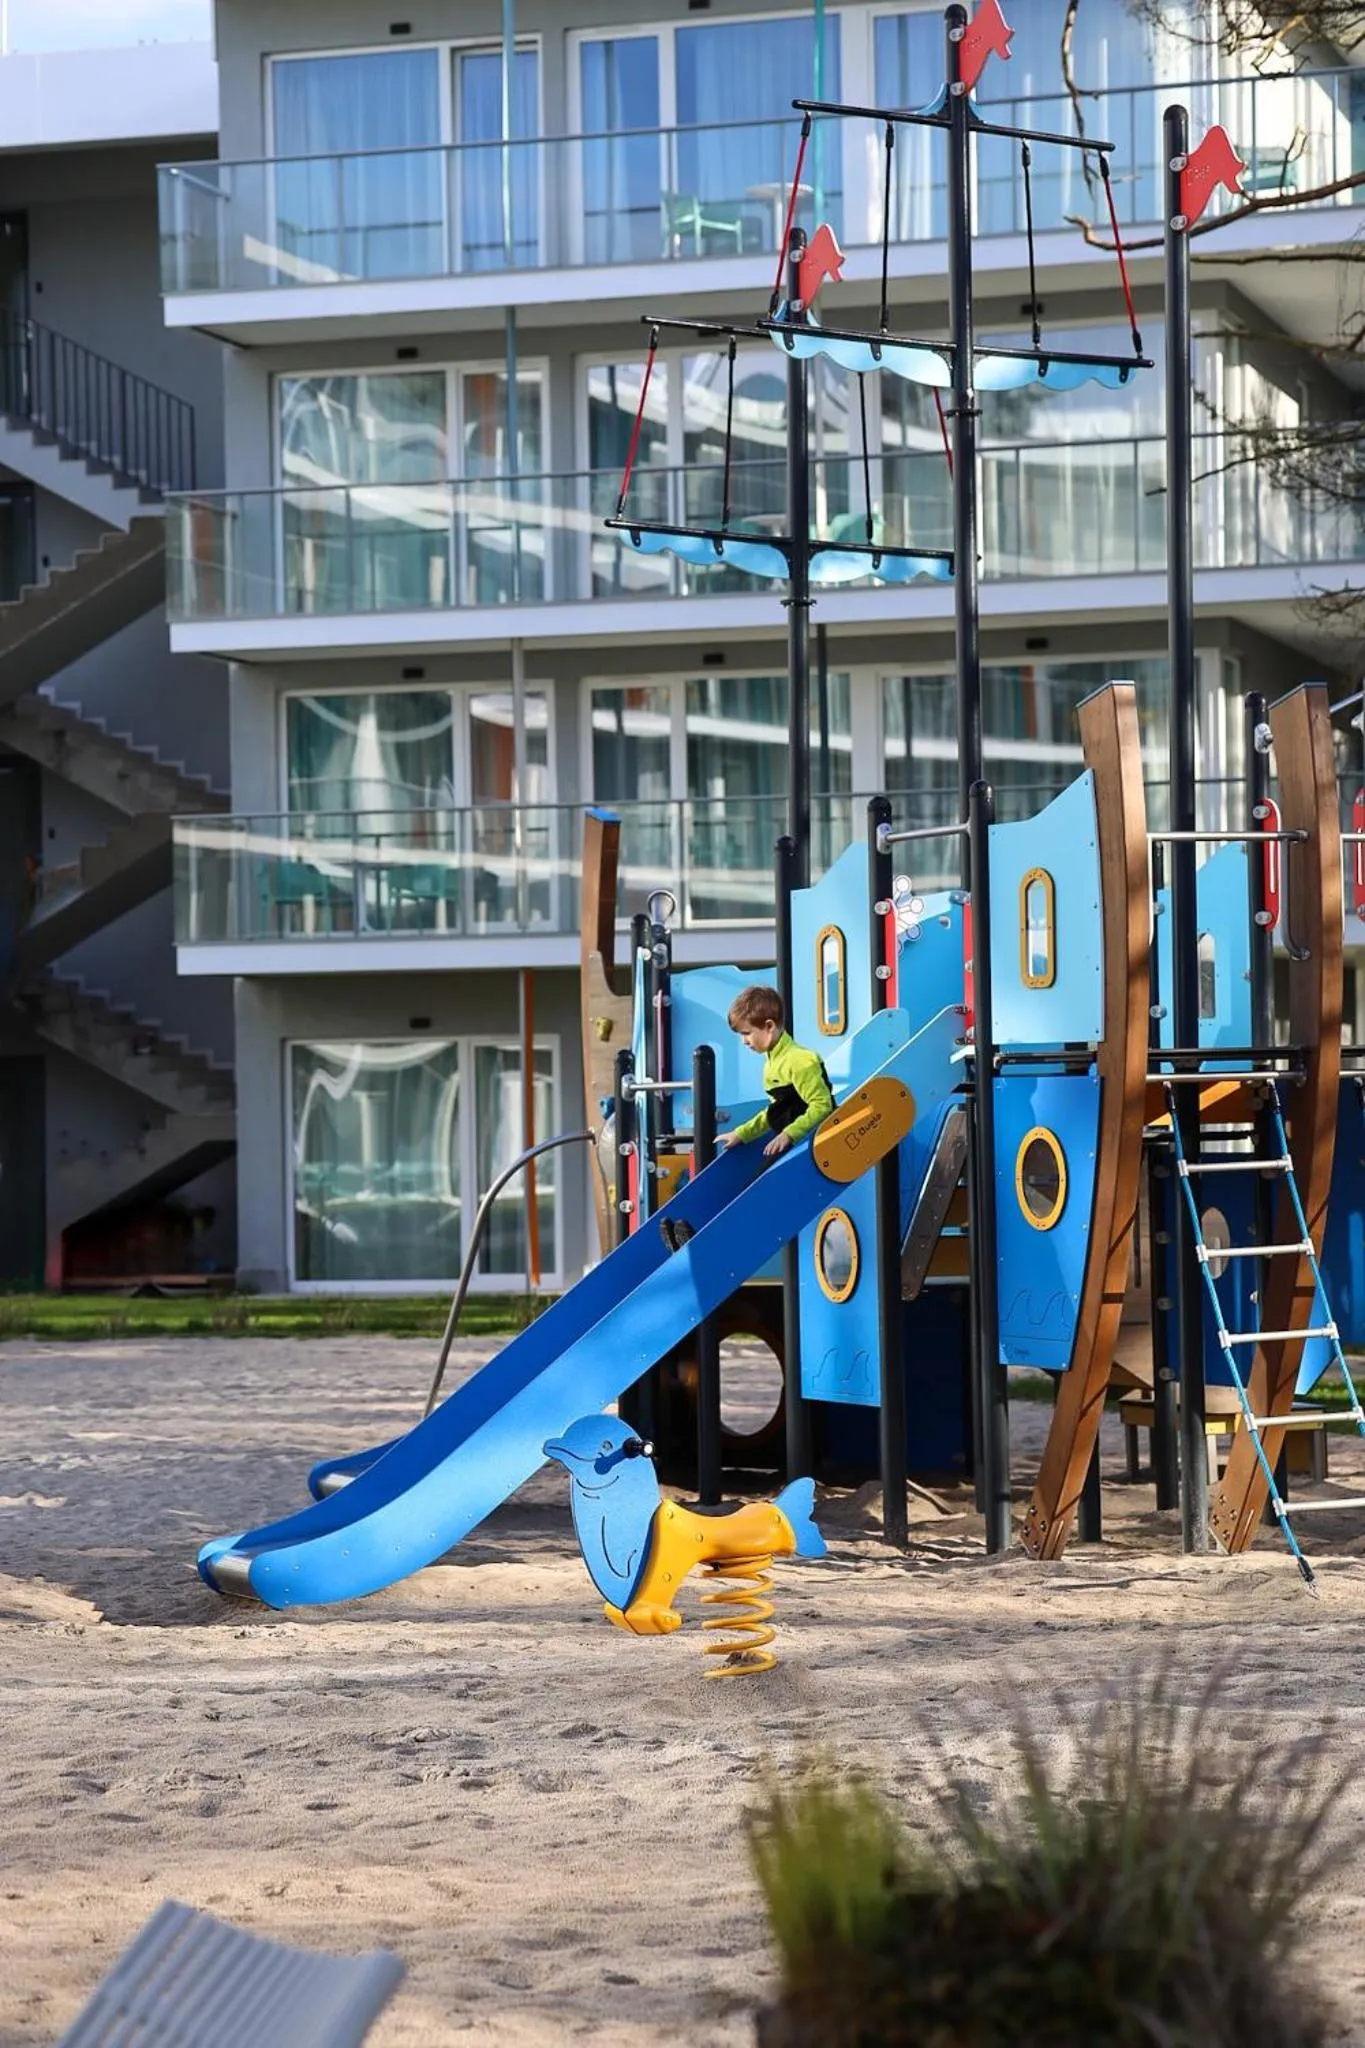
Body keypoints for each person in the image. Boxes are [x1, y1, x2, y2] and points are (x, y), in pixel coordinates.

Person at [659, 985, 835, 1253]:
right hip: (790, 1145)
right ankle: (701, 1238)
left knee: (757, 1196)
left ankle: (711, 1244)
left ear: (769, 1026)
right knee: (748, 1189)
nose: (744, 1041)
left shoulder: (800, 1061)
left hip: (809, 1146)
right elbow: (774, 1111)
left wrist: (789, 1134)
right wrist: (741, 1133)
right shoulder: (773, 1063)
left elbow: (822, 1106)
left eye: (746, 1033)